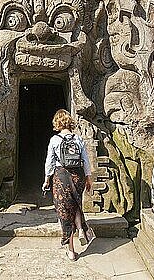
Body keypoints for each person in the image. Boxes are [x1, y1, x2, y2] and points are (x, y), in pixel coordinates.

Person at [42, 109, 96, 261]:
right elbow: (85, 160)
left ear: (57, 123)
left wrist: (47, 179)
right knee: (76, 204)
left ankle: (71, 251)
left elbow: (49, 162)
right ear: (70, 122)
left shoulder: (54, 140)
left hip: (61, 176)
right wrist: (88, 178)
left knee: (65, 212)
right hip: (78, 175)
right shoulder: (78, 139)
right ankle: (80, 229)